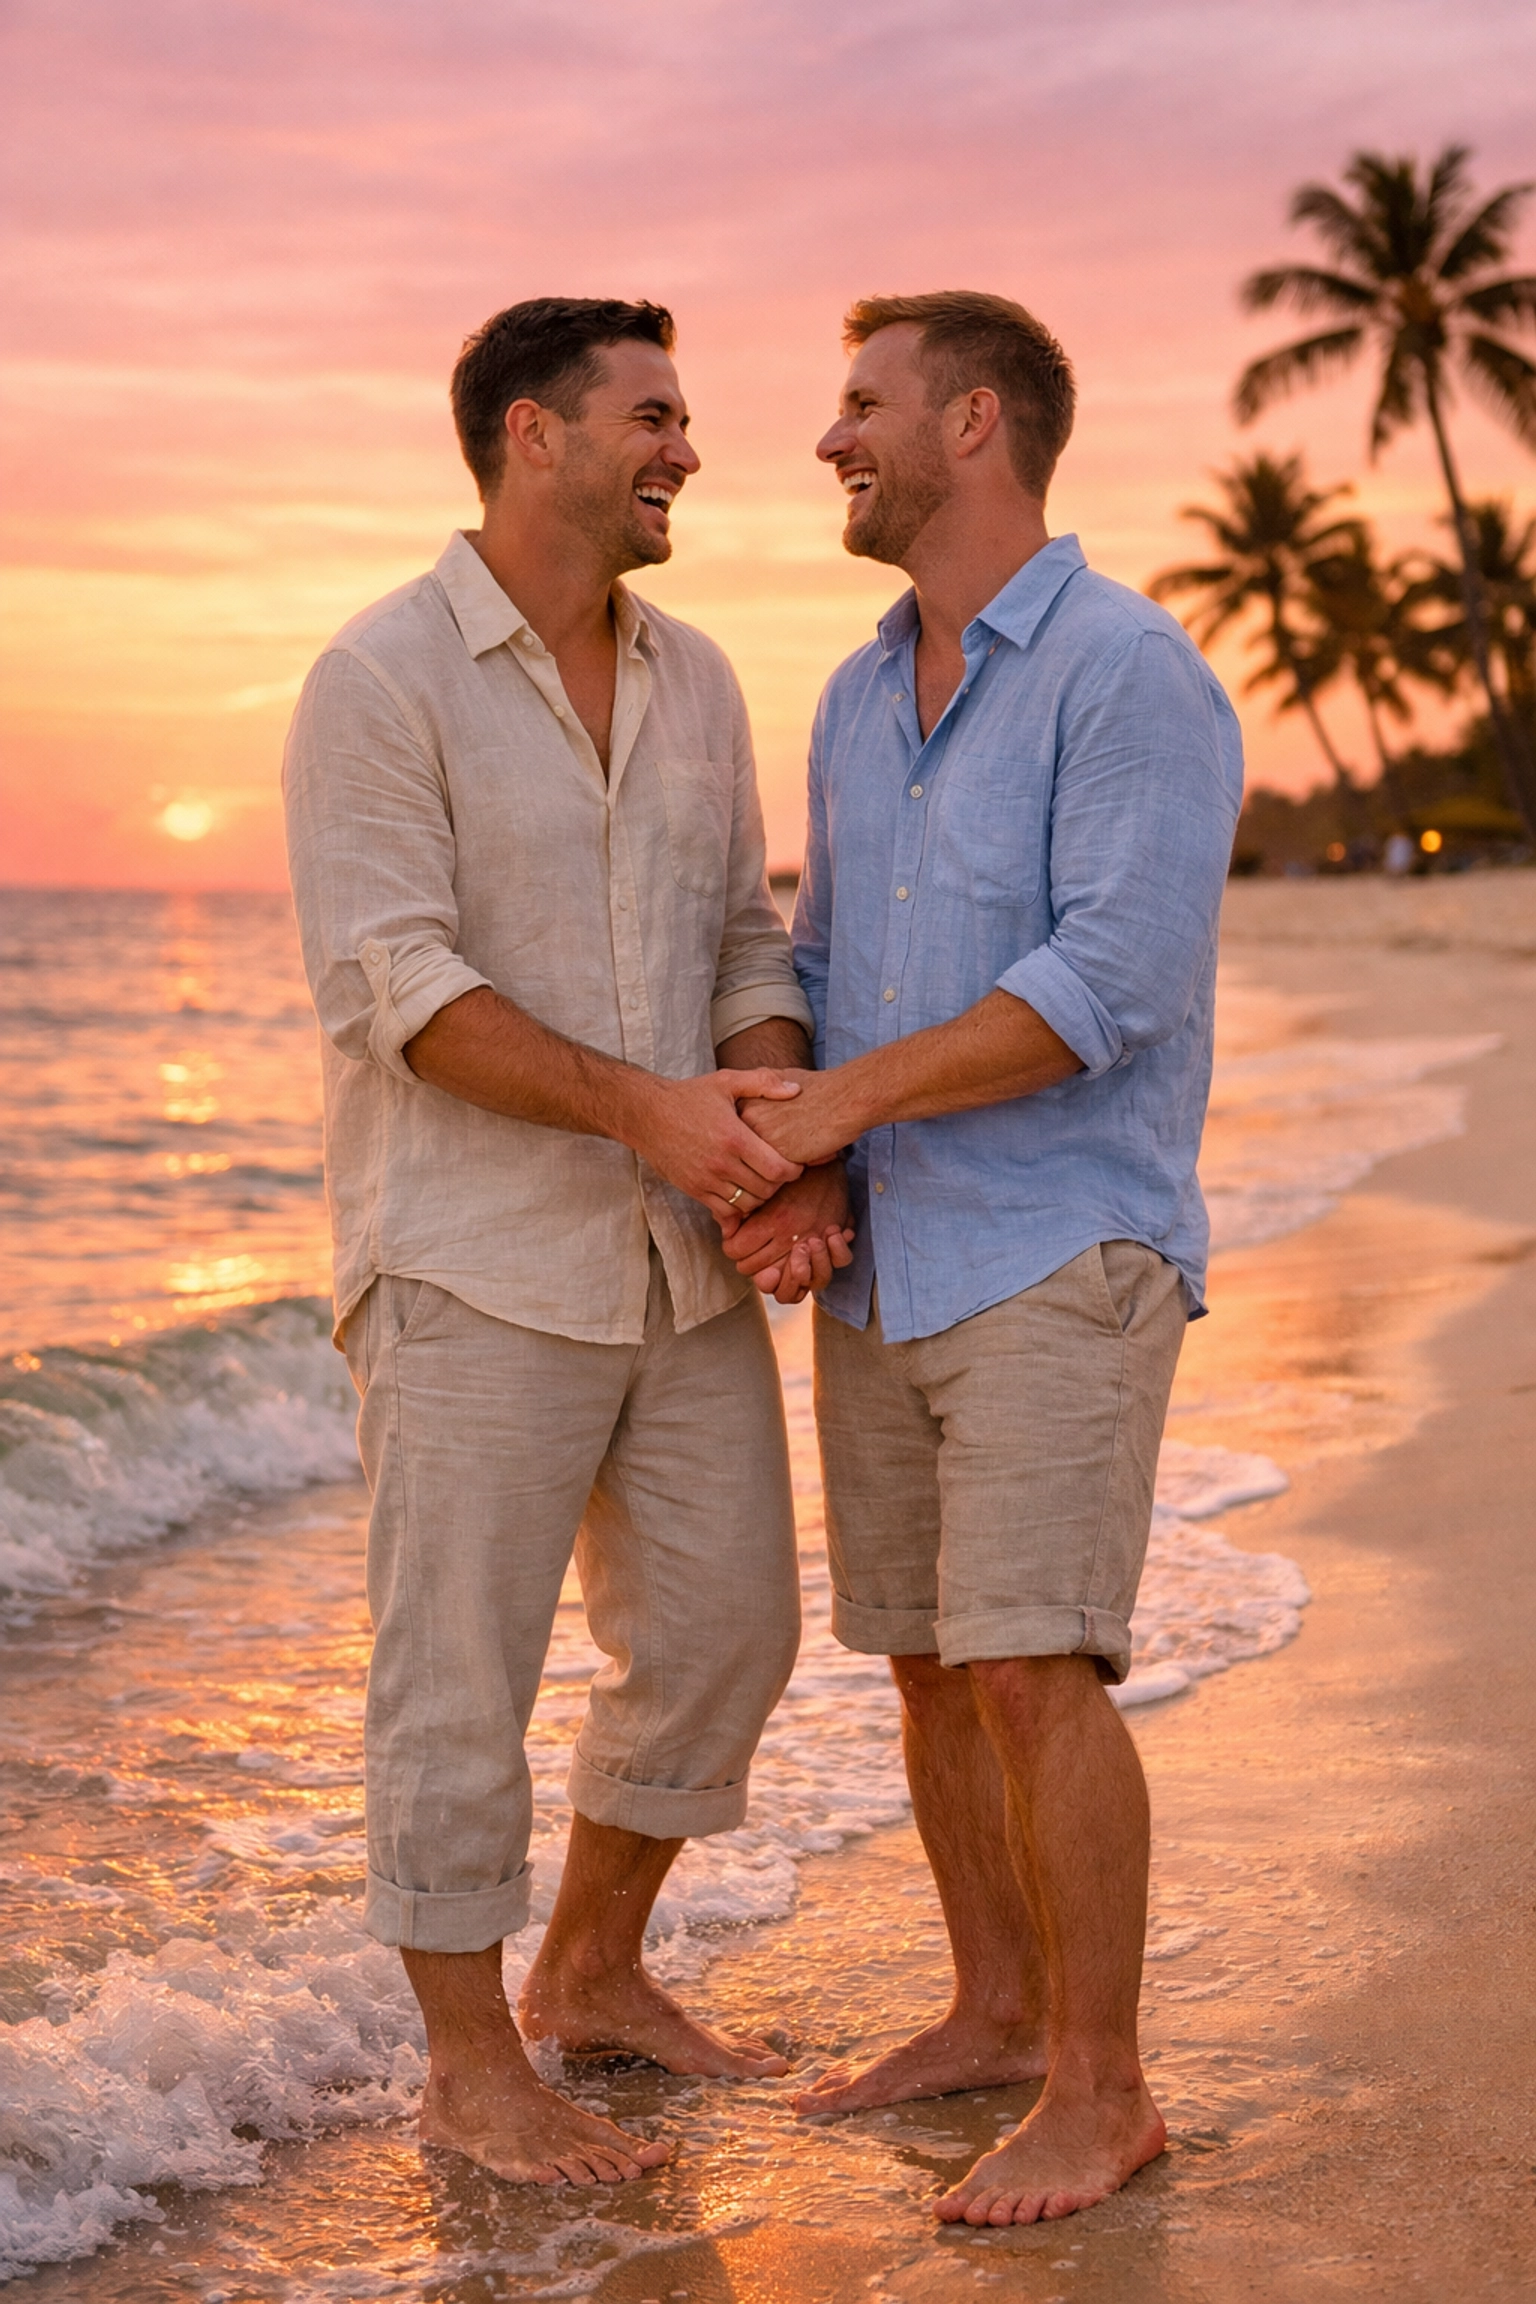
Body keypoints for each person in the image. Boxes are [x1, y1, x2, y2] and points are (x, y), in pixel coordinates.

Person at [283, 296, 853, 2188]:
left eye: (684, 419)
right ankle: (466, 2064)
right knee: (457, 1673)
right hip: (468, 1267)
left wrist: (764, 1127)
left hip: (679, 1265)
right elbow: (397, 991)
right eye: (654, 416)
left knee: (724, 1634)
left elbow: (745, 949)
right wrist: (650, 1112)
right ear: (531, 433)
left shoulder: (696, 678)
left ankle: (594, 1971)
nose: (688, 448)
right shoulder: (379, 680)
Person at [722, 291, 1242, 2226]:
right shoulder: (860, 692)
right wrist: (796, 1159)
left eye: (860, 407)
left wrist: (841, 1113)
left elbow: (1112, 981)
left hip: (1062, 1241)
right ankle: (999, 2015)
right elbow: (823, 961)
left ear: (975, 421)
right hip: (895, 1255)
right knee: (934, 1668)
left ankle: (1104, 2092)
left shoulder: (1127, 672)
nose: (830, 442)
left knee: (1037, 1664)